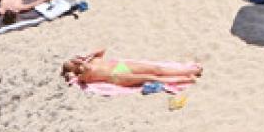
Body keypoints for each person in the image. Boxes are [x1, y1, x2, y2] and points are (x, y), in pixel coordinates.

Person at [61, 49, 203, 88]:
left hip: (120, 67)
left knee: (155, 69)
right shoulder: (82, 77)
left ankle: (191, 71)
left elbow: (102, 49)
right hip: (116, 77)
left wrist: (88, 55)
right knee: (152, 78)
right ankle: (187, 79)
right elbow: (87, 71)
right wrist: (82, 62)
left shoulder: (91, 60)